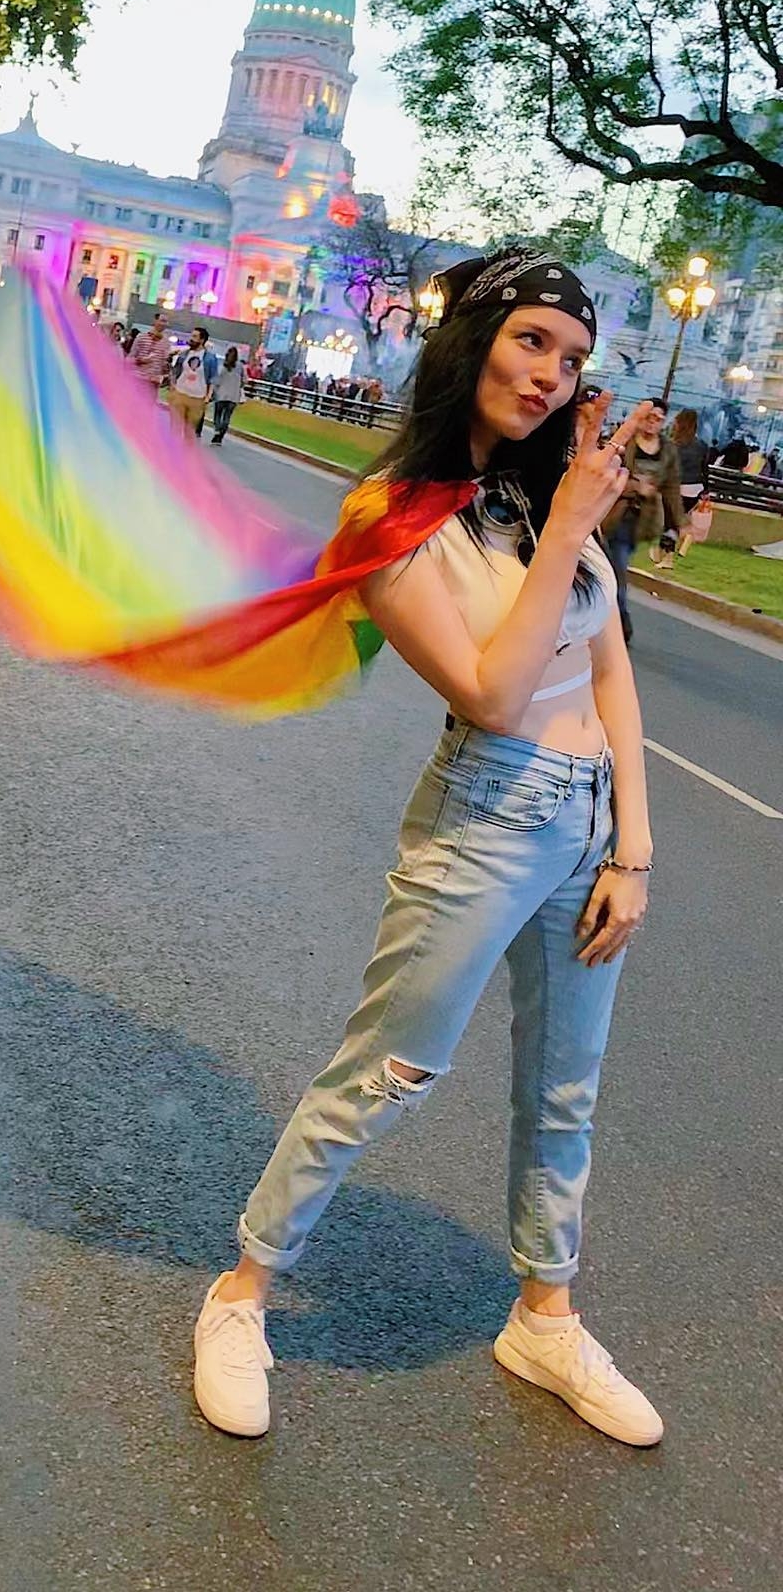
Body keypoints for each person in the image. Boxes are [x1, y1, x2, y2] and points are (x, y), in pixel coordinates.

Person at [192, 248, 665, 1449]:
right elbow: (493, 696)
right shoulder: (392, 518)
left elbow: (610, 668)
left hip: (589, 826)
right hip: (488, 816)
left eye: (572, 355)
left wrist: (634, 850)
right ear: (473, 344)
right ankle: (243, 1293)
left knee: (565, 1090)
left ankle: (546, 1317)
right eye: (530, 341)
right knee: (387, 1072)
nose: (552, 374)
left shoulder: (548, 494)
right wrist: (571, 527)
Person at [599, 398, 682, 633]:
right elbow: (606, 471)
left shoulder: (667, 450)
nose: (653, 422)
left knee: (617, 564)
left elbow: (672, 486)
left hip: (642, 518)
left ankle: (613, 620)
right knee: (614, 566)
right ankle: (618, 622)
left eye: (658, 419)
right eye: (649, 417)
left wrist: (679, 523)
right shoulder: (625, 440)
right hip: (612, 511)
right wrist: (635, 486)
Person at [667, 407, 709, 559]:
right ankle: (685, 542)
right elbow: (705, 469)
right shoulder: (702, 445)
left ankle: (668, 557)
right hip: (695, 488)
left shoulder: (674, 444)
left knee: (670, 523)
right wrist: (706, 490)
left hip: (678, 487)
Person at [167, 326, 216, 437]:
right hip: (180, 393)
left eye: (194, 336)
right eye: (191, 336)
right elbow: (175, 370)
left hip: (197, 397)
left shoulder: (210, 358)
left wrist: (208, 396)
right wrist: (173, 385)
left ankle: (185, 447)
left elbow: (212, 378)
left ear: (202, 340)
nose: (191, 339)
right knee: (175, 426)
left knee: (190, 430)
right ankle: (171, 446)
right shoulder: (184, 354)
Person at [209, 345, 246, 445]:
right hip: (233, 396)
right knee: (227, 416)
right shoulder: (240, 367)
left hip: (221, 395)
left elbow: (216, 380)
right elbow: (244, 380)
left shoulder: (222, 366)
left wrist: (213, 391)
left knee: (217, 414)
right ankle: (220, 436)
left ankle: (217, 430)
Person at [129, 314, 172, 393]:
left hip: (153, 383)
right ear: (155, 321)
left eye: (166, 322)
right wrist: (140, 361)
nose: (164, 324)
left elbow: (164, 364)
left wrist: (166, 369)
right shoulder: (141, 337)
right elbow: (129, 359)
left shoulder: (166, 343)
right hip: (138, 379)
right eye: (162, 321)